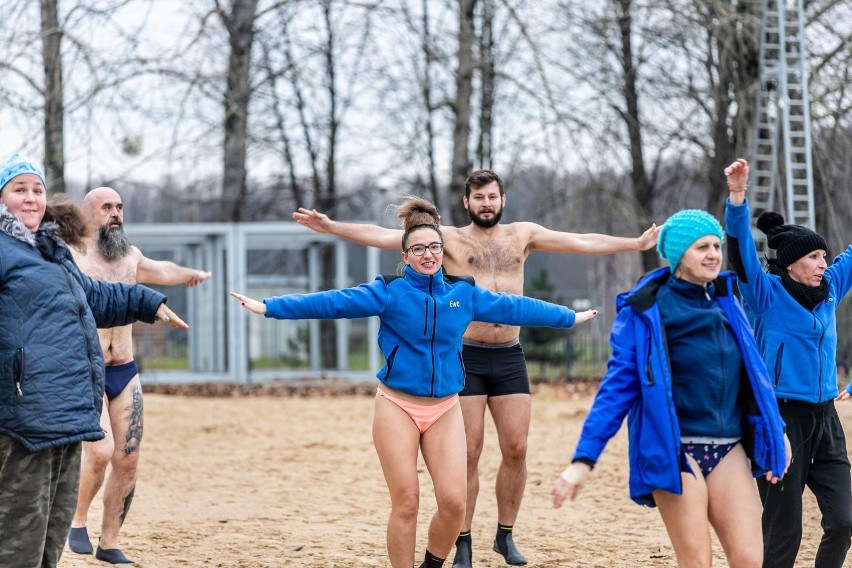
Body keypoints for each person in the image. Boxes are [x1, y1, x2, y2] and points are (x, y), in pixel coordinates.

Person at [293, 170, 658, 567]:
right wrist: (331, 227)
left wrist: (634, 243)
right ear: (467, 202)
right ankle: (462, 540)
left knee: (516, 447)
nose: (486, 203)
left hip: (509, 353)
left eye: (492, 196)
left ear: (503, 199)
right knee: (468, 450)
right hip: (466, 352)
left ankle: (505, 534)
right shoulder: (446, 238)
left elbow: (582, 242)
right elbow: (383, 235)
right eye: (478, 197)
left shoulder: (524, 234)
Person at [234, 197, 598, 568]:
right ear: (405, 255)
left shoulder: (463, 294)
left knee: (454, 505)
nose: (428, 254)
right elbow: (332, 303)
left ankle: (431, 563)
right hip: (397, 405)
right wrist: (271, 307)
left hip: (444, 409)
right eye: (419, 249)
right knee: (407, 501)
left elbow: (518, 308)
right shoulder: (389, 292)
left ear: (443, 250)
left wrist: (570, 317)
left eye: (435, 247)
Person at [550, 208, 790, 567]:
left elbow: (755, 373)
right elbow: (616, 391)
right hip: (676, 450)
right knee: (696, 561)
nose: (713, 254)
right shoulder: (646, 309)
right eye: (701, 247)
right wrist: (582, 462)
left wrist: (777, 430)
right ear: (678, 254)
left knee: (749, 559)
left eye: (716, 245)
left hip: (729, 448)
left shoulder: (727, 299)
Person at [0, 154, 188, 568]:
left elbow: (93, 295)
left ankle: (104, 538)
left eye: (37, 190)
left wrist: (147, 302)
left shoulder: (49, 250)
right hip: (21, 417)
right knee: (18, 537)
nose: (30, 198)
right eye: (19, 190)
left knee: (50, 533)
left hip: (64, 414)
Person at [64, 186, 211, 564]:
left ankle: (109, 542)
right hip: (86, 367)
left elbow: (163, 270)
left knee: (127, 457)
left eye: (120, 207)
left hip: (125, 368)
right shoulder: (72, 256)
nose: (116, 213)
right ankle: (76, 521)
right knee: (99, 451)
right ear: (87, 214)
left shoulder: (130, 256)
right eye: (106, 207)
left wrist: (188, 274)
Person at [724, 158, 852, 568]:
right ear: (792, 262)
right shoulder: (765, 295)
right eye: (814, 256)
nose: (822, 264)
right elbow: (742, 250)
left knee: (844, 522)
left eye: (824, 256)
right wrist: (738, 198)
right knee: (783, 536)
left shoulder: (830, 287)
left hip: (825, 419)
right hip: (780, 420)